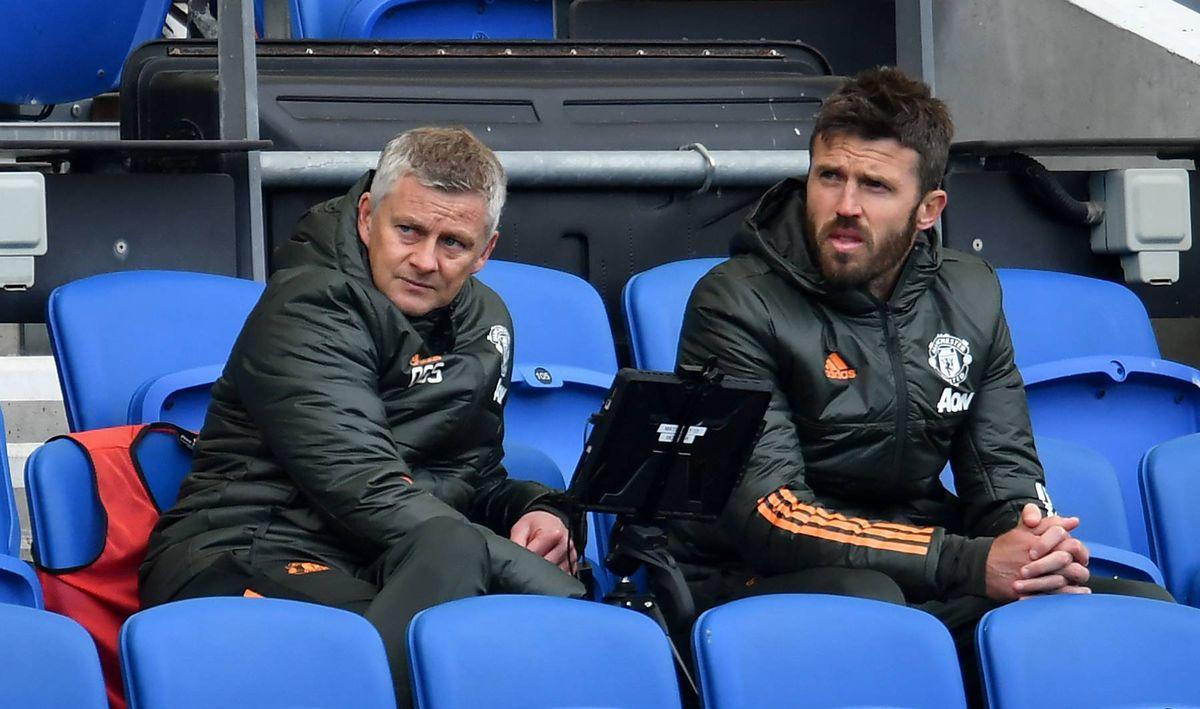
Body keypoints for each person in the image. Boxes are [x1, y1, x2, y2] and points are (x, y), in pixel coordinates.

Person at [666, 67, 1171, 698]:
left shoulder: (970, 294)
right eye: (830, 177)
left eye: (875, 186)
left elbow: (1004, 472)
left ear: (928, 210)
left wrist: (1032, 547)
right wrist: (971, 562)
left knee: (1136, 608)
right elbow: (772, 515)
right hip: (748, 573)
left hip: (916, 566)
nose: (846, 206)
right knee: (874, 605)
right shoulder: (734, 302)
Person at [140, 127, 585, 707]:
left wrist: (538, 510)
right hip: (244, 551)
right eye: (409, 230)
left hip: (383, 560)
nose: (425, 261)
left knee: (502, 626)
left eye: (453, 243)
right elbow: (369, 490)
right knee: (479, 616)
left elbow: (469, 476)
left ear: (486, 251)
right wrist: (566, 598)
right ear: (368, 216)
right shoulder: (307, 307)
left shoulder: (485, 321)